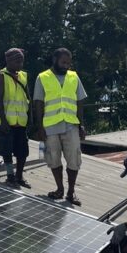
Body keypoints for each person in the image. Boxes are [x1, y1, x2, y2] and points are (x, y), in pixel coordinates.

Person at [33, 48, 86, 205]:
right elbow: (38, 103)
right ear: (55, 60)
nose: (66, 65)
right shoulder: (42, 77)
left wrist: (81, 124)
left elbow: (80, 101)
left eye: (69, 63)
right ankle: (59, 189)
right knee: (53, 159)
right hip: (50, 126)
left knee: (74, 160)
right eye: (63, 62)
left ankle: (71, 192)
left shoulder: (74, 76)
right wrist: (39, 127)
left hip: (71, 125)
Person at [0, 48, 31, 189]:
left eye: (21, 60)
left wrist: (30, 118)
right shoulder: (1, 76)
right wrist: (3, 121)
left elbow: (27, 97)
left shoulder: (23, 76)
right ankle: (10, 176)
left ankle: (19, 176)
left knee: (22, 151)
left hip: (20, 121)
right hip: (6, 121)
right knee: (6, 150)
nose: (20, 63)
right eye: (17, 60)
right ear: (8, 61)